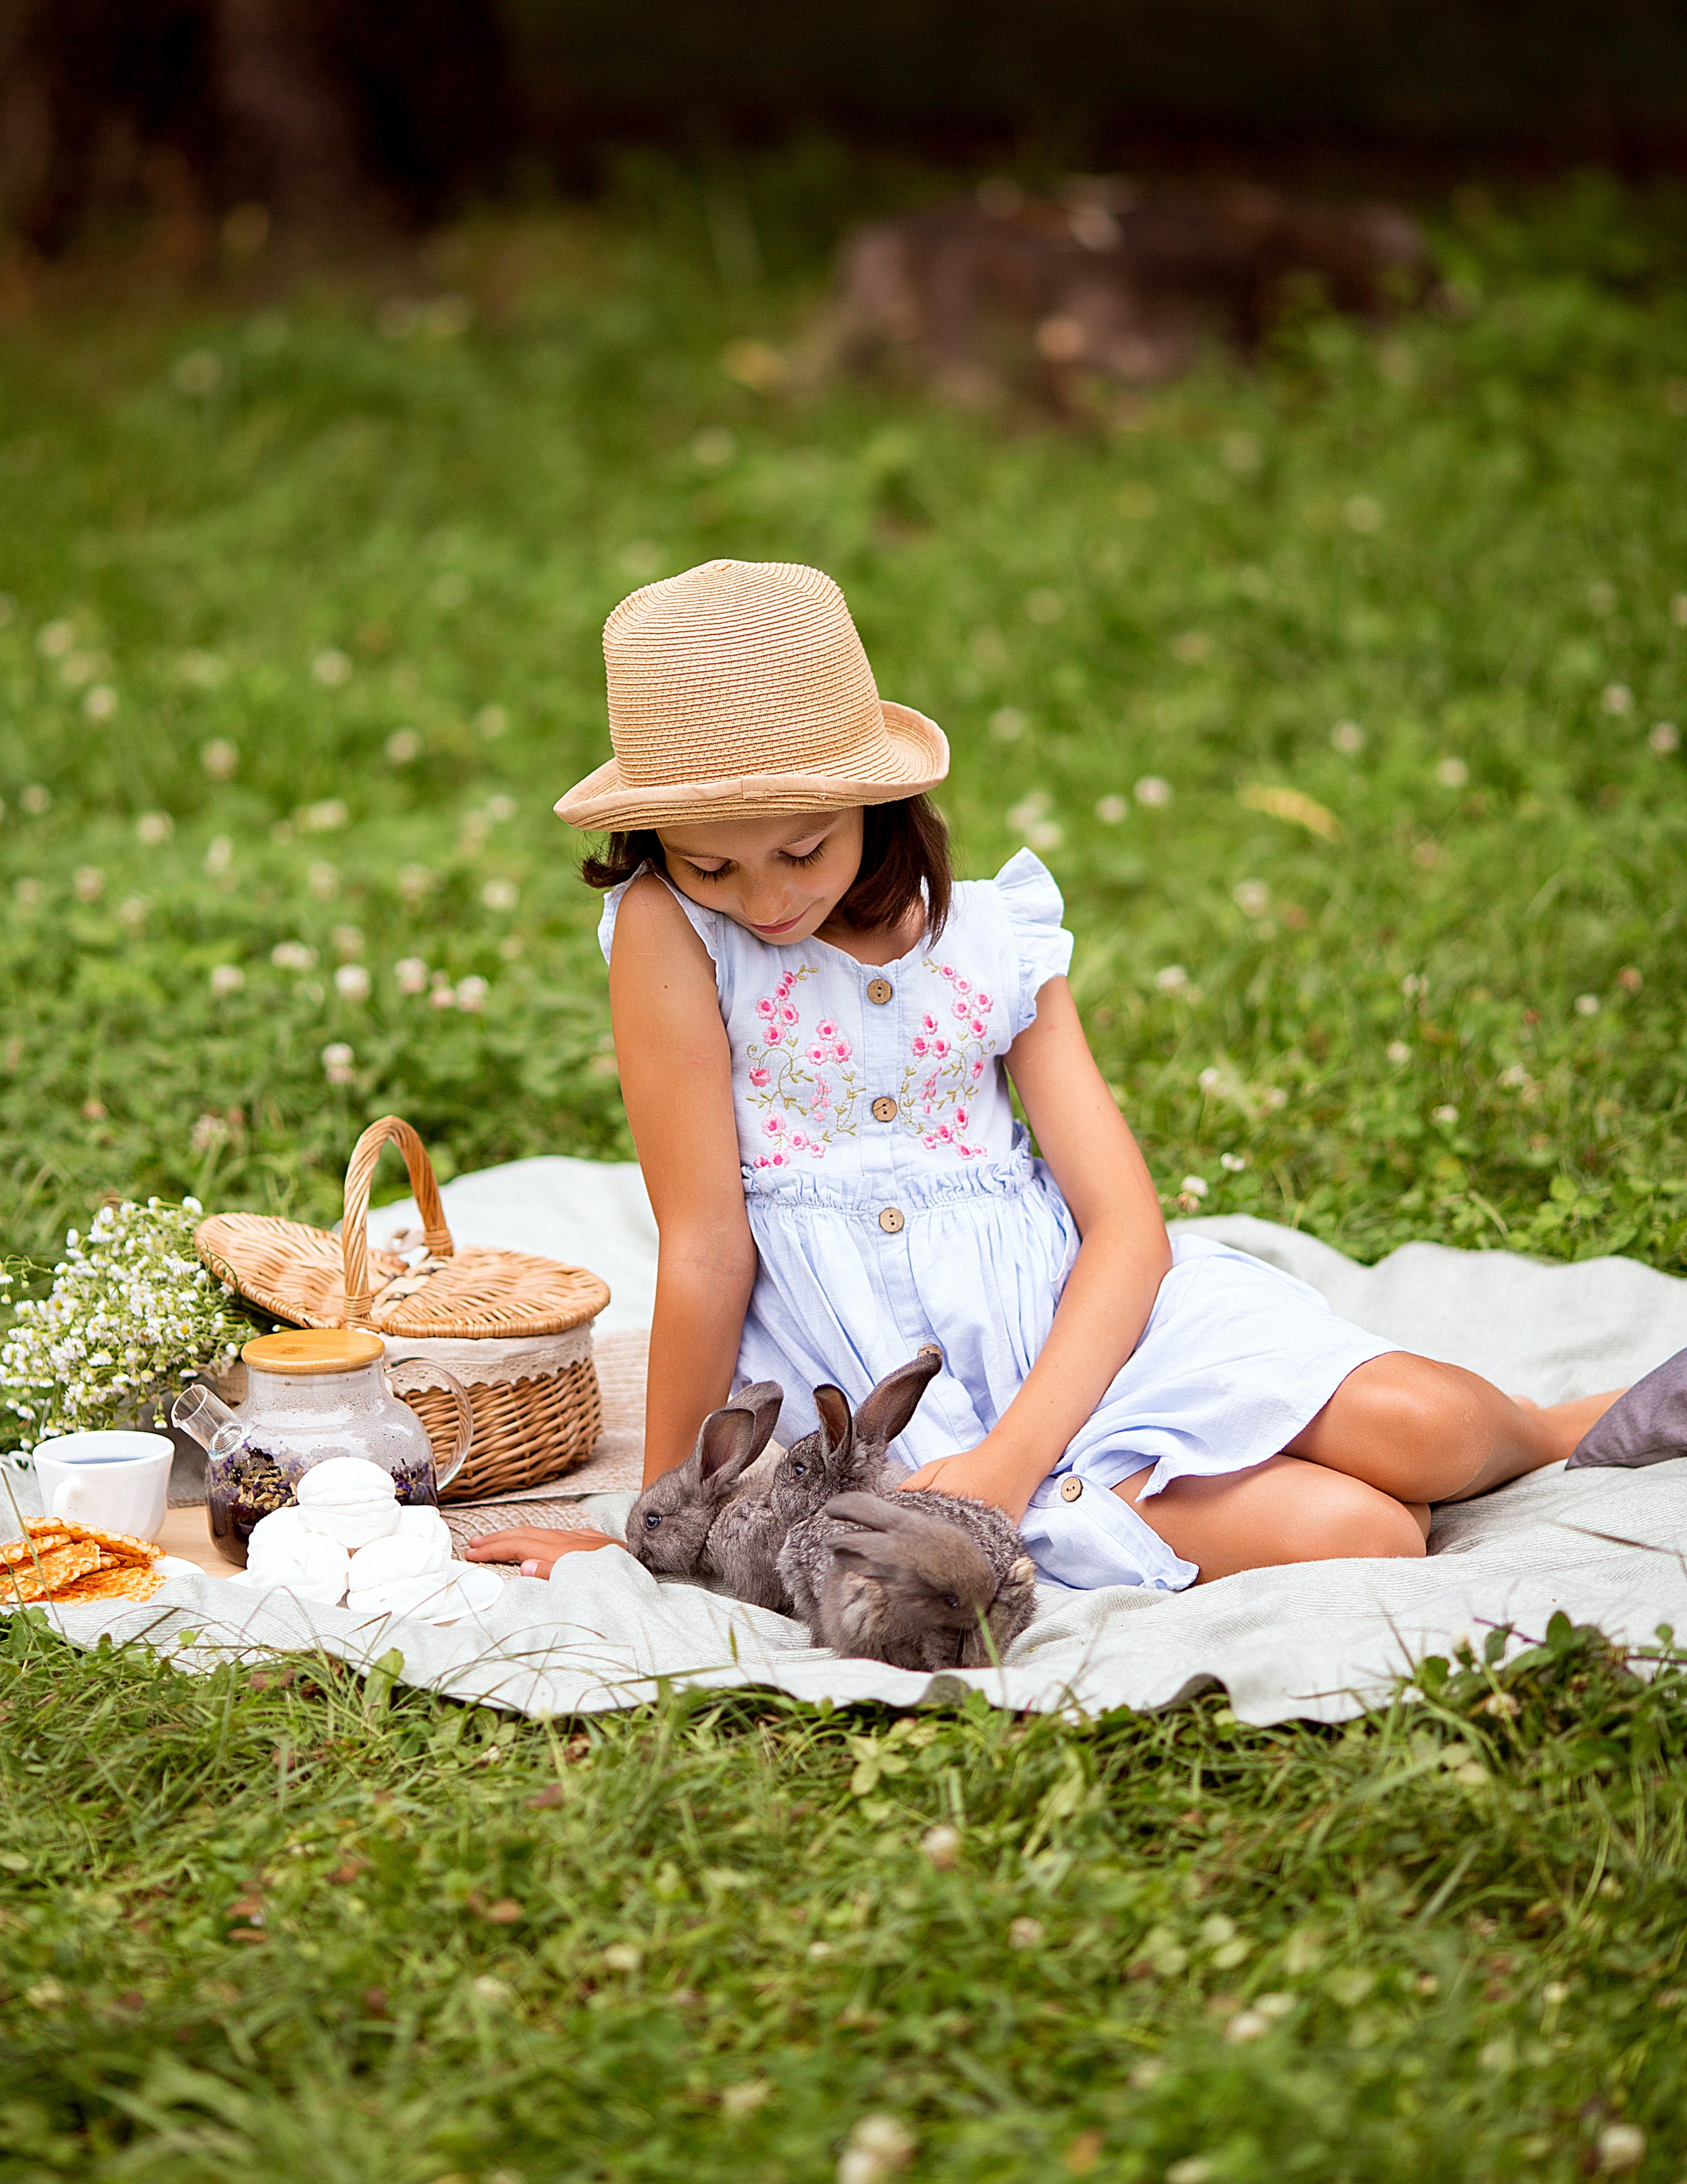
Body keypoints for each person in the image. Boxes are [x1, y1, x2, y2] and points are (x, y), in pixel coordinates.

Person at [475, 558, 1623, 1591]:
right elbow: (709, 1241)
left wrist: (1012, 1464)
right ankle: (1139, 1489)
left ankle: (1567, 1423)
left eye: (806, 848)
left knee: (1420, 1425)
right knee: (1373, 1533)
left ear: (877, 799)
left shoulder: (996, 933)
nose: (770, 900)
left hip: (1077, 1322)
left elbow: (1126, 1226)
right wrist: (654, 1527)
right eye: (715, 863)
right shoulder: (669, 932)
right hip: (894, 1387)